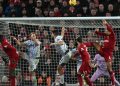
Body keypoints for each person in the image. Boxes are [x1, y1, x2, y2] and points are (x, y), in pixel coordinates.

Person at [93, 20, 116, 86]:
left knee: (109, 69)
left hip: (108, 54)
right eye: (105, 30)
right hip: (103, 51)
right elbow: (102, 34)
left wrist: (106, 24)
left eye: (107, 30)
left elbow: (110, 30)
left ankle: (113, 83)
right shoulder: (105, 36)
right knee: (95, 43)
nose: (105, 31)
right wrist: (96, 32)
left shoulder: (113, 37)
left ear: (110, 31)